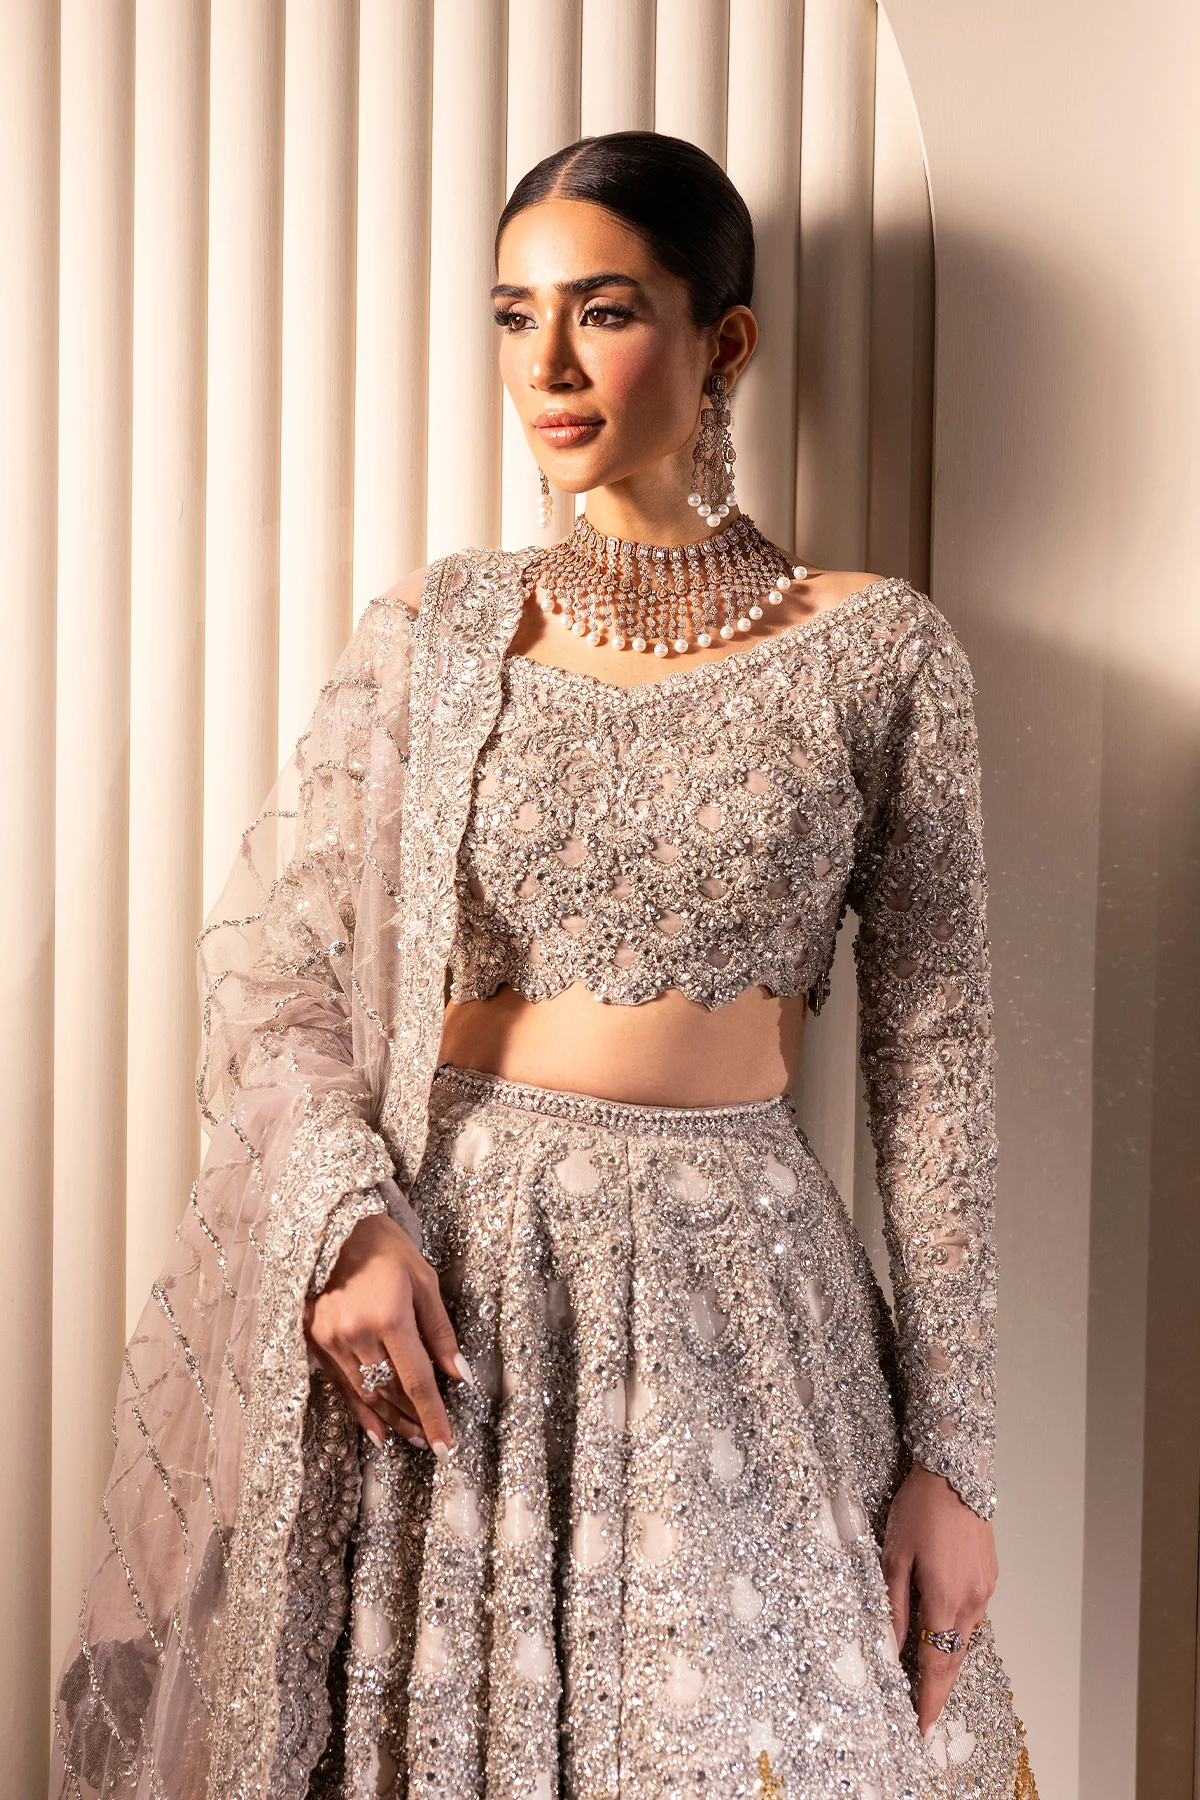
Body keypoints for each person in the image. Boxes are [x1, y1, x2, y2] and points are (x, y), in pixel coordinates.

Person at [52, 132, 1037, 1800]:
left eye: (605, 311)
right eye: (516, 316)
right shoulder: (439, 634)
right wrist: (353, 1221)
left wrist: (955, 1459)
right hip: (459, 1298)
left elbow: (935, 1066)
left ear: (725, 342)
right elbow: (279, 979)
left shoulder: (878, 653)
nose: (549, 366)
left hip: (745, 1304)